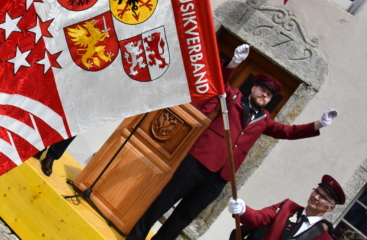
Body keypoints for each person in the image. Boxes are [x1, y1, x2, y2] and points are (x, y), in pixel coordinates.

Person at [126, 44, 339, 240]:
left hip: (220, 177)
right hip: (198, 162)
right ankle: (135, 236)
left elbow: (289, 132)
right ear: (253, 88)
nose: (265, 95)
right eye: (262, 90)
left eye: (269, 95)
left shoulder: (265, 120)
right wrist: (234, 63)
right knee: (163, 202)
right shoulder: (233, 97)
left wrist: (318, 124)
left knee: (184, 216)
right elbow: (218, 84)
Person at [228, 175, 345, 240]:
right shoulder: (287, 207)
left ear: (330, 208)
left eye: (323, 197)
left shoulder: (323, 237)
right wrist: (242, 210)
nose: (316, 197)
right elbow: (258, 217)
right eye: (316, 192)